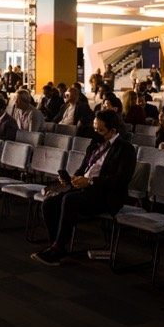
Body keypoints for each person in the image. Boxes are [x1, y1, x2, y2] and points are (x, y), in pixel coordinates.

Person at [30, 109, 137, 267]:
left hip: (106, 195)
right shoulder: (95, 144)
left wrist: (91, 182)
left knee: (69, 199)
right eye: (95, 128)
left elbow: (121, 179)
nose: (96, 132)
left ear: (113, 131)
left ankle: (58, 248)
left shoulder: (125, 149)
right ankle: (56, 246)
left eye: (100, 130)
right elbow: (83, 169)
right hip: (85, 190)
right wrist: (72, 178)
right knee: (49, 204)